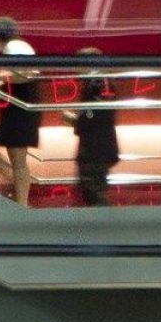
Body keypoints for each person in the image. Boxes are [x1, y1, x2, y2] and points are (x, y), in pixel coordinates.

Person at [0, 14, 42, 205]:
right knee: (17, 161)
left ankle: (20, 198)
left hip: (20, 110)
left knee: (16, 161)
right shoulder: (16, 46)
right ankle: (20, 196)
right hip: (19, 108)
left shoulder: (15, 47)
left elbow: (21, 74)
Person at [68, 50, 120, 206]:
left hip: (94, 148)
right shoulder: (103, 82)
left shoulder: (95, 83)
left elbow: (93, 116)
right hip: (102, 146)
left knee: (93, 192)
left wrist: (75, 121)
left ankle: (100, 225)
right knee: (94, 190)